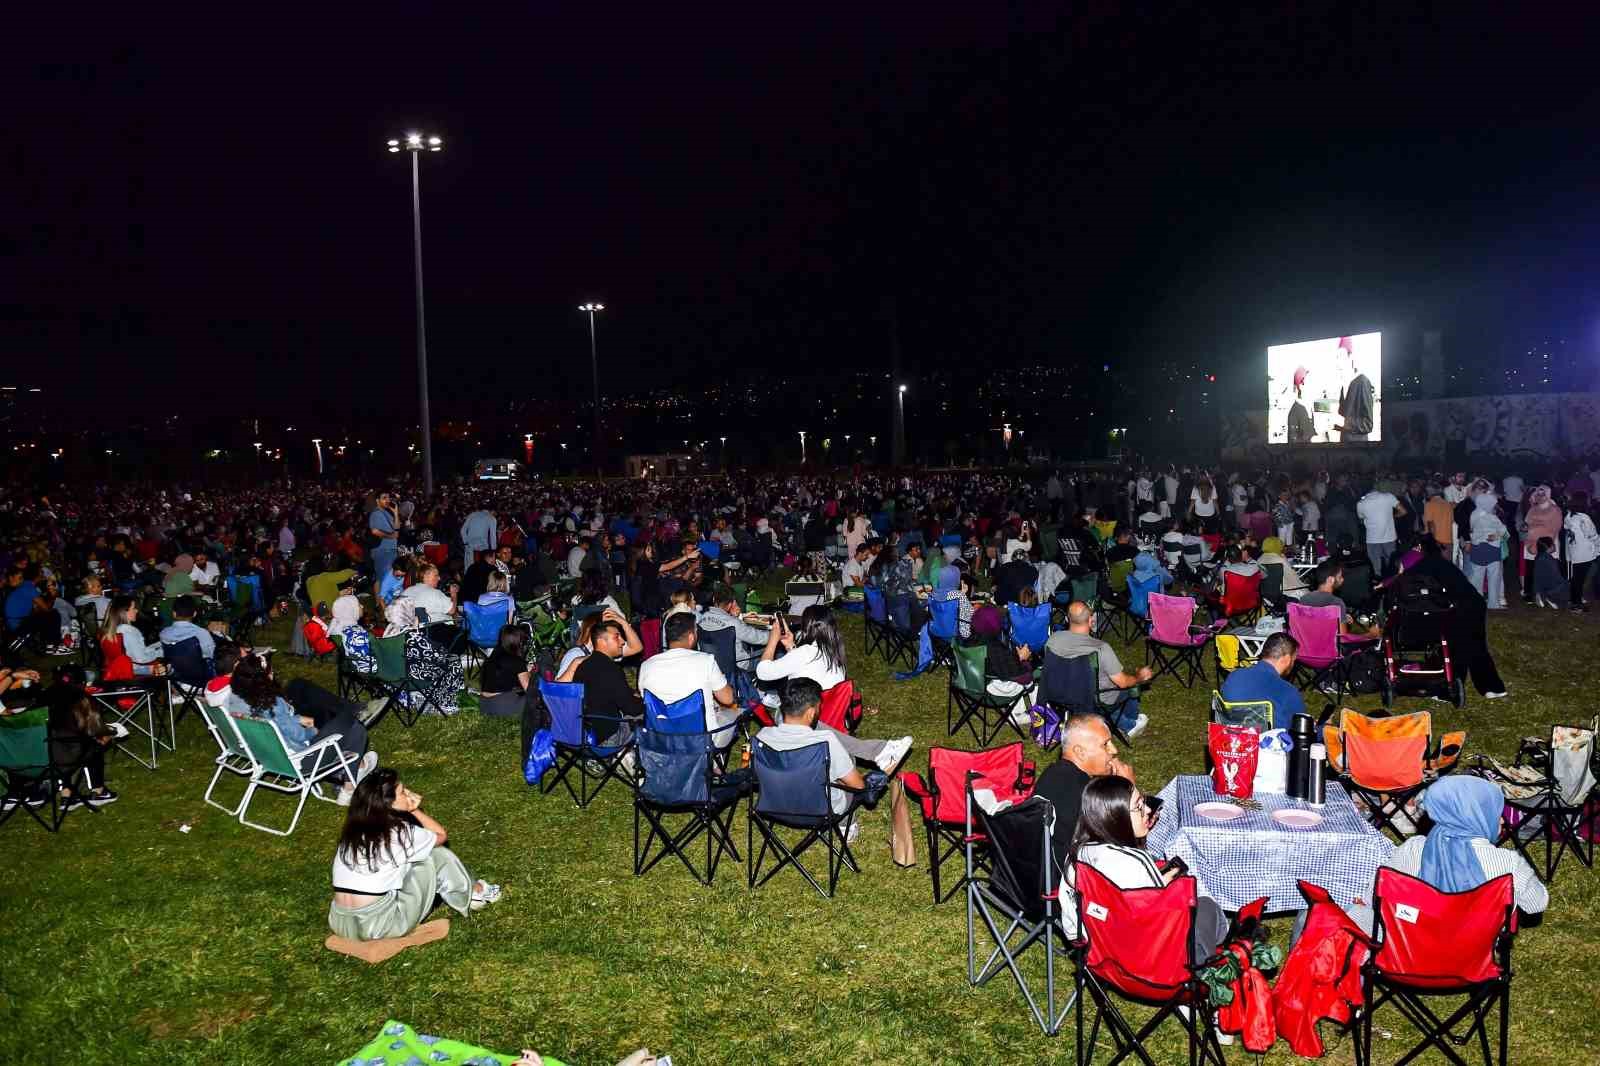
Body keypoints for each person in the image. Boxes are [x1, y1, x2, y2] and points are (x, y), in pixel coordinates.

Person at [330, 768, 500, 943]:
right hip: (380, 926)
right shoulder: (398, 833)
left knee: (407, 862)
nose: (408, 793)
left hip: (340, 922)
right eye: (402, 792)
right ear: (389, 802)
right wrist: (413, 810)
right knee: (436, 855)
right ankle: (474, 893)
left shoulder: (351, 835)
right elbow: (440, 835)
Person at [1073, 775, 1229, 960]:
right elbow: (1162, 909)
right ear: (1115, 817)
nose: (1147, 809)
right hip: (1148, 959)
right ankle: (1202, 965)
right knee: (1206, 905)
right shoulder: (1135, 861)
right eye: (1138, 807)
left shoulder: (1079, 853)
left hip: (1099, 948)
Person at [228, 654, 376, 803]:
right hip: (300, 762)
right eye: (270, 672)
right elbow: (298, 734)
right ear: (261, 681)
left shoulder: (237, 703)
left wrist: (297, 719)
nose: (273, 674)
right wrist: (313, 731)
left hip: (271, 759)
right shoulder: (272, 704)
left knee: (348, 726)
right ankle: (349, 787)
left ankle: (354, 771)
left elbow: (279, 723)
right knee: (353, 725)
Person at [753, 679, 884, 841]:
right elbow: (857, 786)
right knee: (848, 760)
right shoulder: (825, 740)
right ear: (810, 712)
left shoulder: (762, 737)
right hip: (820, 811)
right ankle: (846, 827)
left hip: (774, 807)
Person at [1397, 538, 1507, 698]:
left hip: (1457, 606)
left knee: (1455, 648)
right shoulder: (1441, 563)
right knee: (1476, 645)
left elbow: (1404, 578)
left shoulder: (1422, 566)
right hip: (1473, 602)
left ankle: (1448, 692)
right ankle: (1493, 688)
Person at [1032, 713, 1134, 870]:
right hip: (1069, 879)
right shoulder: (1088, 795)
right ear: (1080, 752)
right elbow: (1128, 838)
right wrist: (1127, 788)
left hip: (1037, 871)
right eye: (1105, 744)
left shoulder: (1051, 773)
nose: (1114, 750)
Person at [1044, 602, 1150, 739]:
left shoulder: (1052, 640)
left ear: (1067, 619)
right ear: (1091, 620)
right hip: (1092, 700)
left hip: (1061, 694)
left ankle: (1120, 720)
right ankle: (1129, 724)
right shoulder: (1101, 648)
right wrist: (1139, 676)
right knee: (1130, 683)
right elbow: (1123, 682)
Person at [638, 610, 743, 748]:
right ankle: (715, 766)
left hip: (663, 739)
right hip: (701, 741)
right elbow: (728, 699)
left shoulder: (646, 666)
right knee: (734, 712)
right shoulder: (706, 661)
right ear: (692, 637)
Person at [383, 597, 464, 716]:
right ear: (408, 614)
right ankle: (446, 702)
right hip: (415, 680)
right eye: (413, 611)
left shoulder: (388, 632)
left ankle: (411, 698)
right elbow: (436, 657)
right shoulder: (413, 638)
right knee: (453, 662)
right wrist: (416, 628)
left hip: (394, 681)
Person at [572, 617, 645, 745]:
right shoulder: (611, 669)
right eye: (617, 637)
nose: (622, 642)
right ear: (601, 641)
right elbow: (632, 709)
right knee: (651, 715)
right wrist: (645, 701)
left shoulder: (583, 666)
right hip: (608, 737)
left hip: (583, 734)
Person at [1219, 633, 1305, 730]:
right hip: (1271, 743)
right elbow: (1300, 727)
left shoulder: (1234, 676)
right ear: (1287, 659)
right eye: (1294, 660)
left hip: (1231, 739)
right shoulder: (1288, 691)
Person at [1298, 562, 1380, 637]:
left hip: (1308, 648)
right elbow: (1342, 639)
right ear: (1331, 580)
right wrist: (1369, 635)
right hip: (1330, 650)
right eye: (1340, 577)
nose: (1342, 580)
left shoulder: (1304, 599)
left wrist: (1342, 615)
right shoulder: (1336, 603)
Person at [1463, 492, 1508, 609]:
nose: (1494, 506)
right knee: (1493, 578)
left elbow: (1472, 530)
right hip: (1492, 549)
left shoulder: (1473, 514)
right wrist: (1498, 534)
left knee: (1477, 577)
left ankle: (1476, 602)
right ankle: (1493, 603)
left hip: (1477, 549)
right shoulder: (1492, 517)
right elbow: (1504, 532)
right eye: (1493, 503)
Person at [100, 595, 165, 675]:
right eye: (133, 608)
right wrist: (162, 652)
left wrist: (159, 644)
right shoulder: (129, 631)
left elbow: (136, 651)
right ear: (124, 612)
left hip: (117, 670)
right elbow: (141, 659)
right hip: (135, 670)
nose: (136, 611)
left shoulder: (110, 631)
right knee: (170, 667)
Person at [1356, 484, 1405, 577]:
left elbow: (1361, 518)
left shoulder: (1360, 503)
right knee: (1392, 566)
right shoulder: (1388, 496)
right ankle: (1393, 586)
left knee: (1376, 569)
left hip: (1372, 539)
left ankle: (1378, 587)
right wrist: (1391, 517)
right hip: (1390, 538)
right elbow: (1403, 511)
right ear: (1376, 488)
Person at [1335, 337, 1374, 442]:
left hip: (1358, 451)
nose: (1338, 362)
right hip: (1344, 449)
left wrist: (1343, 422)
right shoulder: (1344, 386)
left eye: (1341, 357)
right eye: (1336, 357)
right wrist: (1332, 423)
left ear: (1350, 357)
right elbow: (1344, 422)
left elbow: (1368, 424)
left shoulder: (1362, 381)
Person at [158, 595, 218, 662]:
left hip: (174, 670)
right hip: (198, 671)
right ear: (194, 614)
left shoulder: (163, 633)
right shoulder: (202, 633)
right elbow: (211, 655)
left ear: (174, 614)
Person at [1563, 504, 1600, 612]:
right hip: (1584, 553)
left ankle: (1574, 601)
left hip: (1574, 552)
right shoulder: (1584, 518)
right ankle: (1576, 604)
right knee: (1579, 579)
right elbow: (1592, 535)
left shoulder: (1569, 516)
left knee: (1576, 579)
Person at [480, 625, 532, 699]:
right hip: (505, 705)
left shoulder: (491, 658)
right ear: (517, 641)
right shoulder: (517, 662)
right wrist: (531, 674)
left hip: (485, 704)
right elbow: (529, 690)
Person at [368, 491, 400, 606]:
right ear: (377, 500)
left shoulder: (386, 513)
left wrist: (396, 514)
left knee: (381, 578)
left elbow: (397, 528)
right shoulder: (376, 514)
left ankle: (379, 606)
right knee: (384, 579)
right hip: (383, 550)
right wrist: (391, 536)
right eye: (384, 498)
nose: (387, 500)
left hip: (389, 550)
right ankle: (383, 608)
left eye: (388, 497)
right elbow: (374, 531)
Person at [1530, 536, 1567, 610]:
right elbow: (1556, 575)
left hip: (1542, 586)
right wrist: (1564, 582)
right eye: (1553, 544)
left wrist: (1537, 591)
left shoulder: (1539, 557)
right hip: (1550, 586)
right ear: (1548, 547)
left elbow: (1536, 576)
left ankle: (1545, 596)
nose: (1555, 545)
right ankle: (1549, 597)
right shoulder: (1549, 560)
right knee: (1566, 586)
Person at [1285, 366, 1314, 444]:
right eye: (1310, 381)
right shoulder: (1295, 411)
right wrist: (1313, 439)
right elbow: (1293, 441)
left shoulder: (1308, 408)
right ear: (1301, 385)